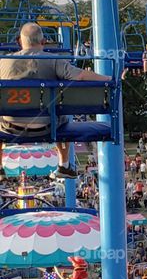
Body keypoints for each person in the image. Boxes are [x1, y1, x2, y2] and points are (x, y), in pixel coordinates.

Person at [0, 22, 111, 179]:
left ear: (19, 41)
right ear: (43, 42)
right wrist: (108, 79)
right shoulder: (53, 60)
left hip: (11, 126)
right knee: (61, 115)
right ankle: (64, 164)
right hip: (48, 126)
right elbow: (79, 75)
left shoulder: (3, 62)